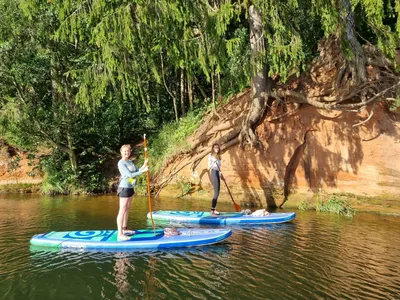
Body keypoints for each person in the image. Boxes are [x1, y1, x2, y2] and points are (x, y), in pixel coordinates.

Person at [116, 144, 148, 241]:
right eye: (125, 151)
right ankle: (120, 234)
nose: (127, 153)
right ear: (121, 152)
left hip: (130, 187)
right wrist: (143, 171)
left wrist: (144, 164)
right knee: (122, 209)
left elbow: (137, 170)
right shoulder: (121, 163)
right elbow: (129, 175)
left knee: (127, 209)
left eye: (128, 151)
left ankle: (124, 229)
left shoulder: (130, 161)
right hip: (124, 187)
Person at [208, 143, 223, 215]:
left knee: (218, 192)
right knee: (216, 192)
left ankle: (214, 209)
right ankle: (212, 210)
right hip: (213, 173)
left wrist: (221, 175)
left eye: (217, 147)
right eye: (215, 147)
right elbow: (208, 167)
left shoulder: (219, 157)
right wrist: (213, 162)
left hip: (217, 173)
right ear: (213, 149)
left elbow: (219, 168)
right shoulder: (210, 156)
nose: (217, 148)